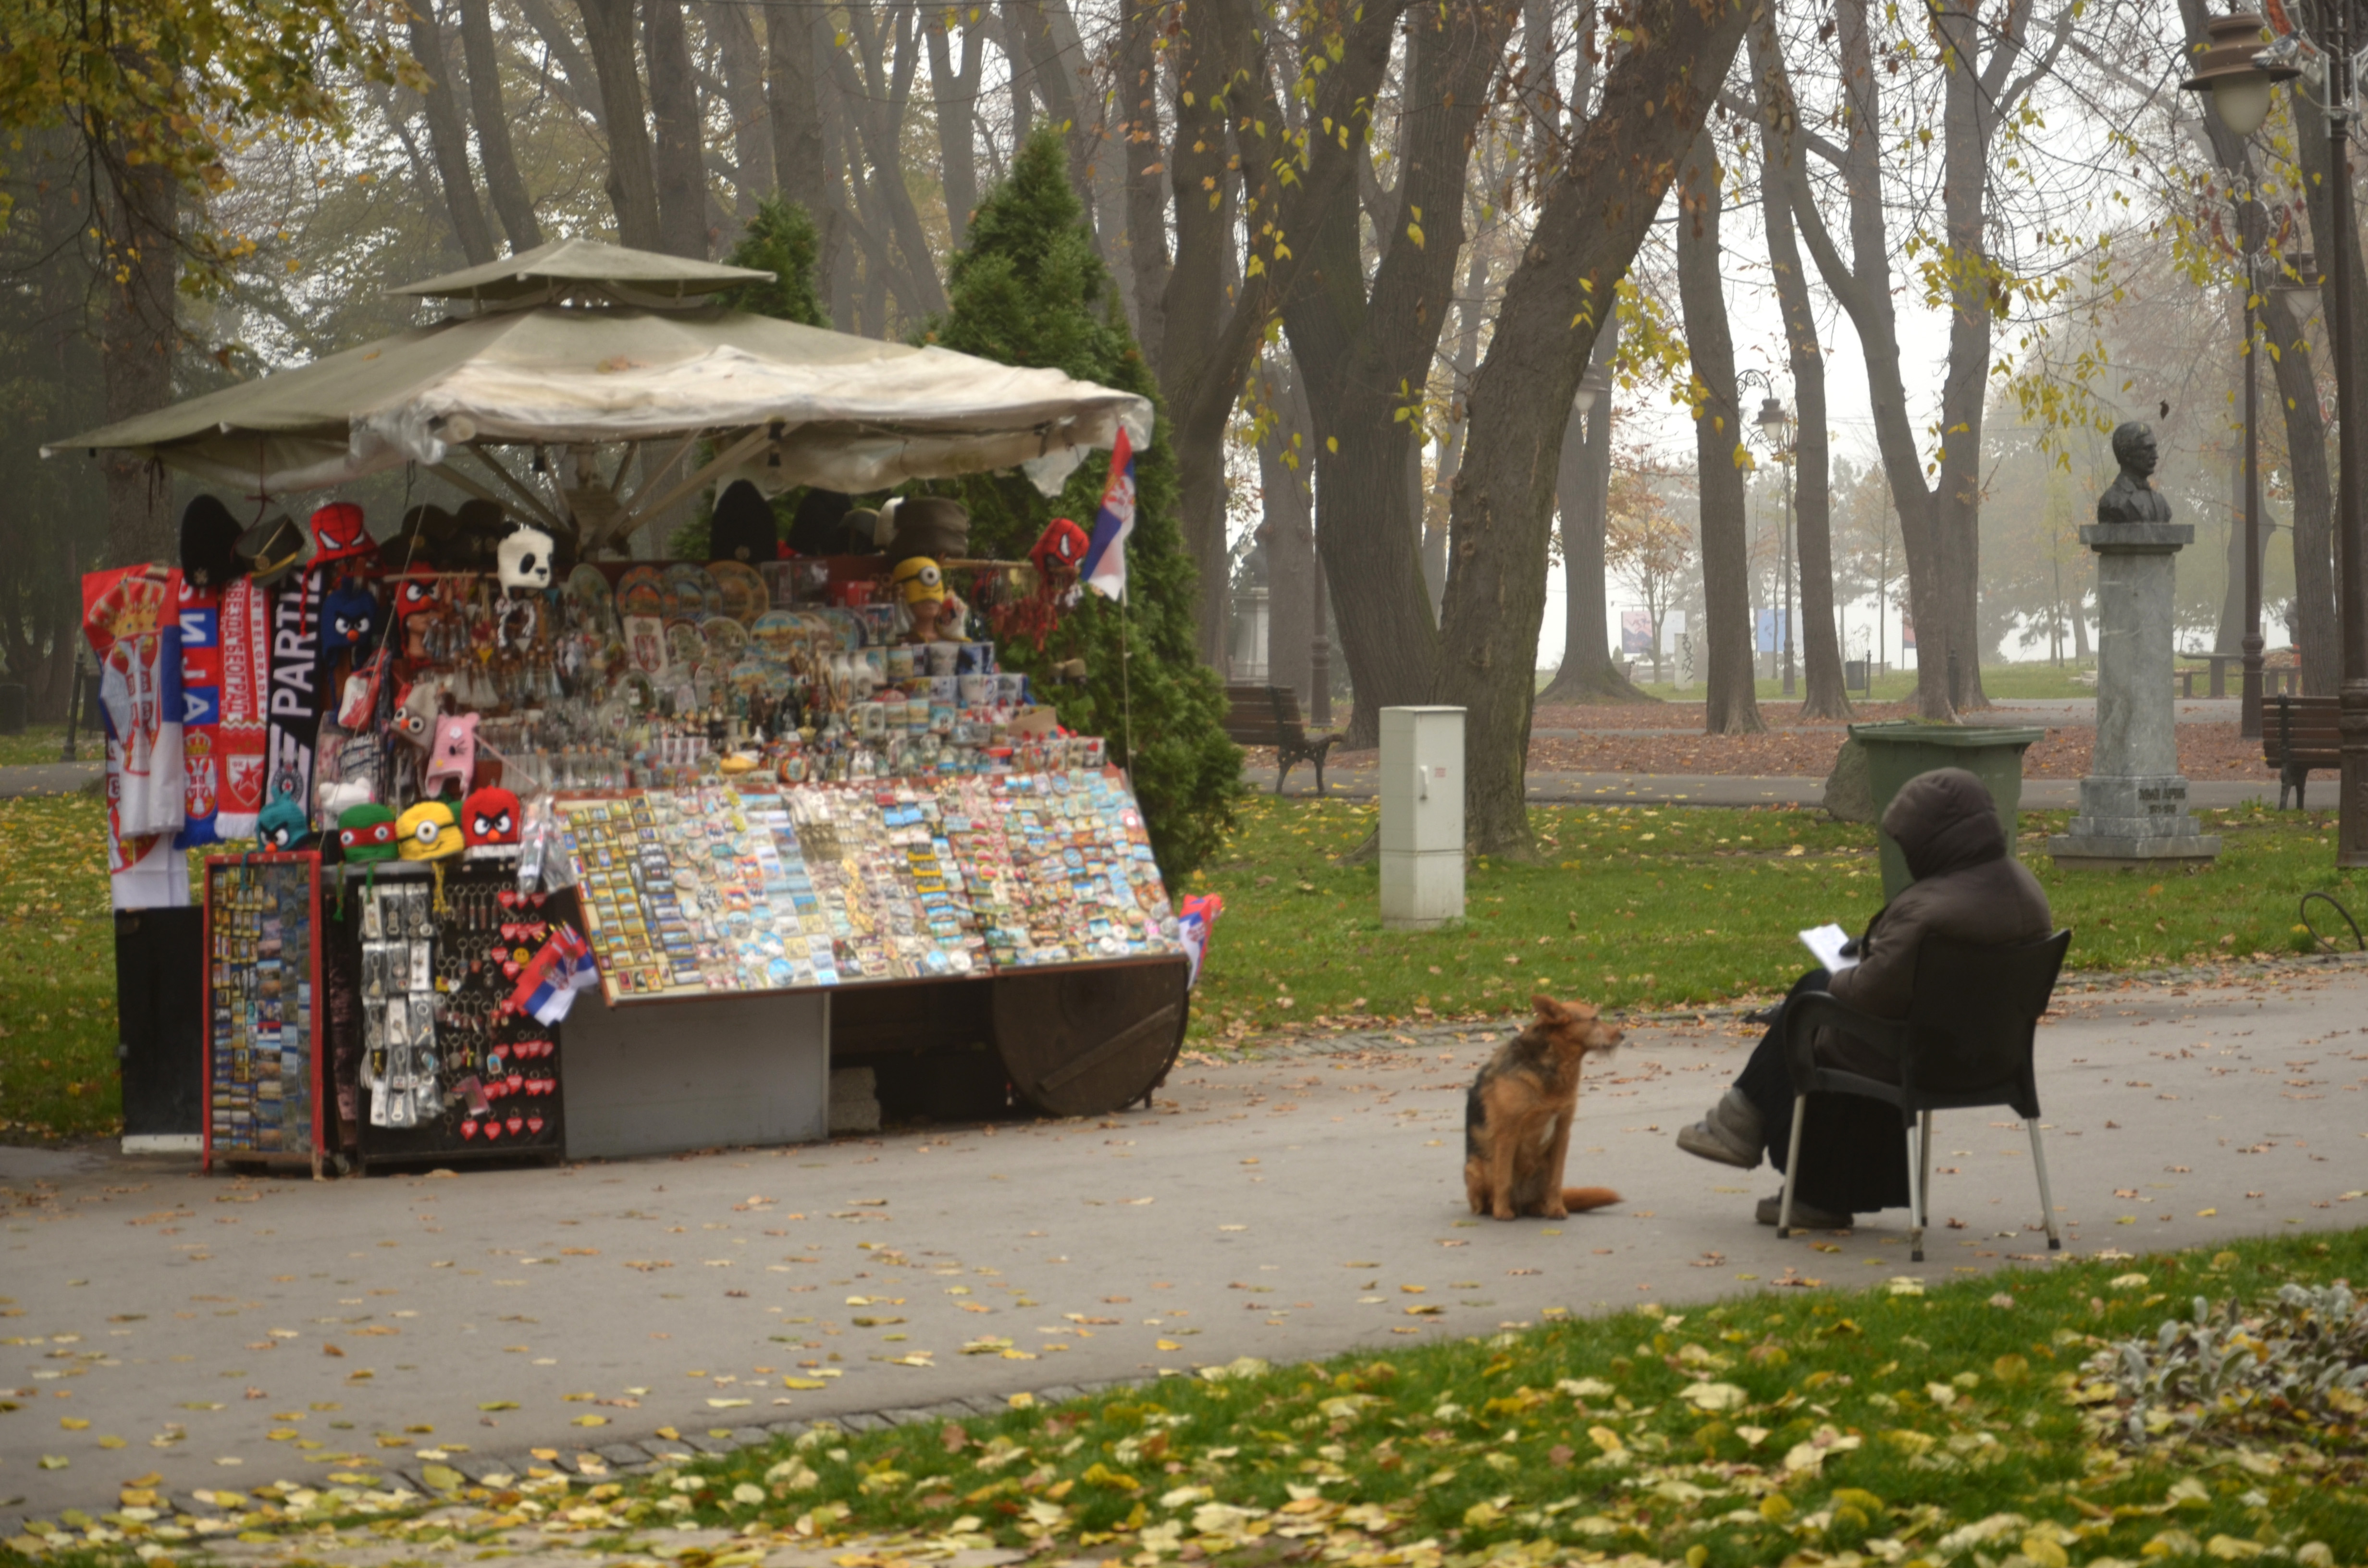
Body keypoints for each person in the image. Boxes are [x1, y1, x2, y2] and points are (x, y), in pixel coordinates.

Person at [1674, 768, 2053, 1227]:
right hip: (1989, 1057)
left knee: (1811, 1000)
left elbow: (1871, 993)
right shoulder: (2025, 889)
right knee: (1820, 1008)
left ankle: (1745, 1129)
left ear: (1933, 840)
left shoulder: (1930, 910)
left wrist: (1842, 972)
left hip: (1915, 1058)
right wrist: (1874, 951)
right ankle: (1798, 1178)